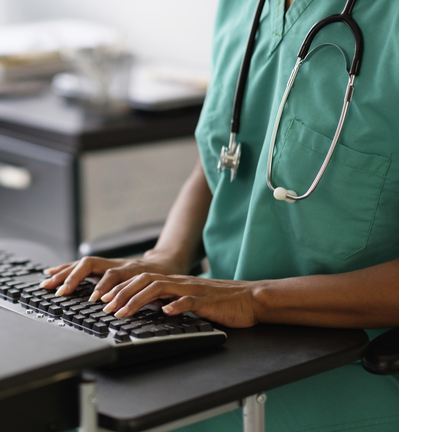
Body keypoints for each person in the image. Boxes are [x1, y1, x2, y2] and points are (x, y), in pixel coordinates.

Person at [42, 0, 399, 430]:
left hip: (344, 374)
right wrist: (166, 255)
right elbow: (221, 157)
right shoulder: (244, 8)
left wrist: (254, 298)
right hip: (213, 346)